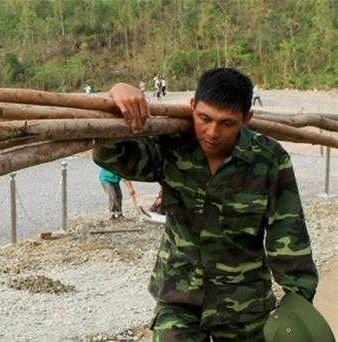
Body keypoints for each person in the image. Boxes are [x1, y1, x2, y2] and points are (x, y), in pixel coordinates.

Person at [93, 67, 318, 341]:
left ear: (246, 118)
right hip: (179, 297)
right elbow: (112, 156)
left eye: (227, 123)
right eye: (204, 118)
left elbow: (288, 233)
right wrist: (117, 94)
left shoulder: (269, 160)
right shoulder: (172, 147)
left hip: (244, 304)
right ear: (192, 107)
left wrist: (298, 307)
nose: (212, 132)